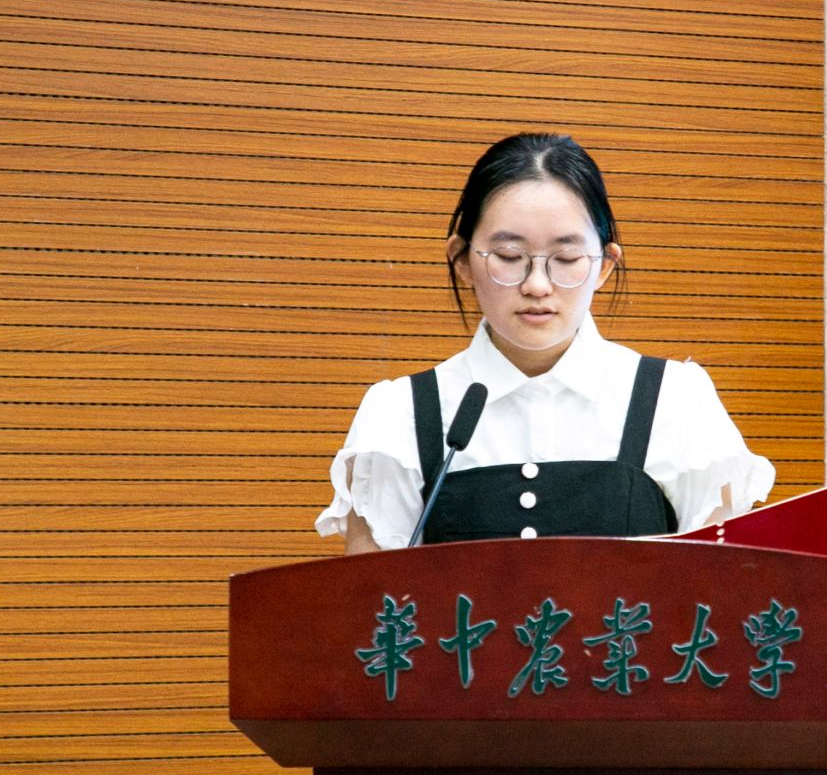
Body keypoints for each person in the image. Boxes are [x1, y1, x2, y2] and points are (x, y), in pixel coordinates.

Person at [317, 132, 774, 552]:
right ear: (462, 260)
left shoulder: (676, 400)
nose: (537, 285)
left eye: (567, 257)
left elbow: (718, 593)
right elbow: (374, 606)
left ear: (604, 265)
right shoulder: (398, 413)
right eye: (509, 256)